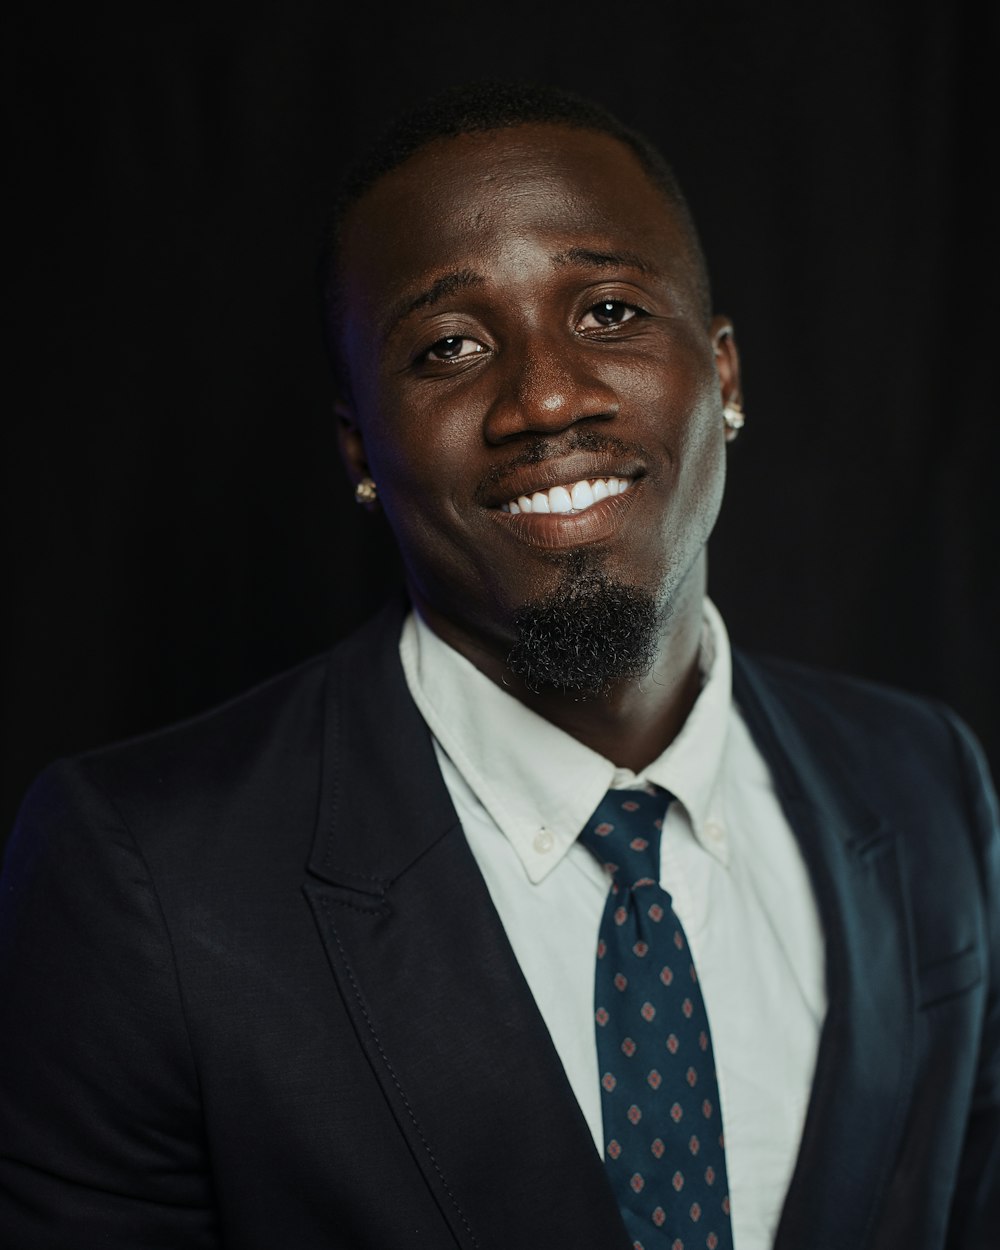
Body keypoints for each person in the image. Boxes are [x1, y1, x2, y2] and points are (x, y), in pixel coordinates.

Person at [1, 83, 996, 1250]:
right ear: (360, 446)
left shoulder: (924, 783)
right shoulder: (143, 879)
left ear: (722, 377)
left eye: (611, 310)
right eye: (450, 345)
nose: (545, 395)